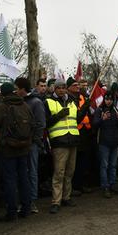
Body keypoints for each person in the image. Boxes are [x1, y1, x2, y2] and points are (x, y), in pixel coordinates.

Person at [0, 82, 33, 222]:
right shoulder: (24, 105)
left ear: (2, 93)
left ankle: (11, 212)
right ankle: (26, 208)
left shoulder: (2, 106)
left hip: (8, 149)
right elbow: (33, 123)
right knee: (24, 178)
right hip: (24, 147)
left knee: (10, 180)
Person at [45, 80, 80, 213]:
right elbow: (46, 122)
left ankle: (66, 197)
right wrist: (58, 116)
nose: (61, 90)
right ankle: (56, 201)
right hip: (59, 141)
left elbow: (76, 120)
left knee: (70, 172)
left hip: (72, 140)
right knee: (59, 172)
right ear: (54, 89)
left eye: (63, 87)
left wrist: (85, 108)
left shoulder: (72, 101)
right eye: (58, 88)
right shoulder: (48, 102)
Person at [15, 77, 45, 214]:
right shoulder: (18, 102)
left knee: (32, 171)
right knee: (21, 172)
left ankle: (32, 200)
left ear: (22, 89)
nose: (15, 91)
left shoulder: (36, 102)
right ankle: (22, 199)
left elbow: (40, 124)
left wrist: (34, 140)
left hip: (31, 144)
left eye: (17, 88)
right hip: (19, 143)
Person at [92, 94, 118, 198]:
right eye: (107, 99)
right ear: (104, 100)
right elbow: (94, 124)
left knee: (113, 165)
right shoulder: (99, 110)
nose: (108, 101)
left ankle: (112, 184)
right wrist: (102, 119)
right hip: (104, 142)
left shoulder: (115, 109)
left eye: (110, 99)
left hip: (114, 141)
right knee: (104, 166)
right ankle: (105, 187)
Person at [68, 77, 92, 195]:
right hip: (74, 132)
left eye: (78, 85)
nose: (78, 87)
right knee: (74, 163)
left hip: (85, 133)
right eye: (75, 85)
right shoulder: (69, 99)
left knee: (84, 161)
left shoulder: (82, 97)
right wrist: (84, 108)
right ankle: (74, 186)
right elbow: (77, 117)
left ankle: (82, 184)